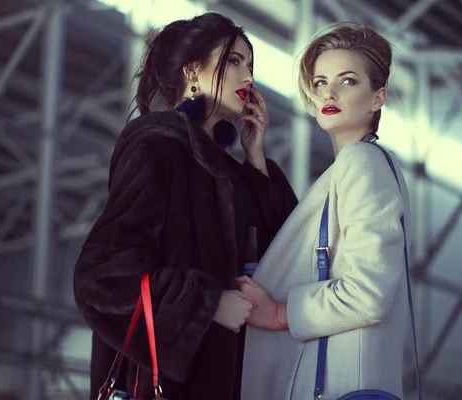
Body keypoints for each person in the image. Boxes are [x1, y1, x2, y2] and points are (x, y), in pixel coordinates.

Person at [73, 12, 297, 400]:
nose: (248, 78)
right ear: (193, 71)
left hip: (236, 379)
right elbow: (102, 274)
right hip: (169, 386)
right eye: (234, 61)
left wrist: (257, 160)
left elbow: (284, 253)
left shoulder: (229, 171)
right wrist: (207, 303)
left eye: (251, 65)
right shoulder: (158, 148)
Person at [239, 22, 412, 399]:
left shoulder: (360, 161)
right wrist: (256, 157)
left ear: (377, 98)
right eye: (320, 83)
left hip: (340, 386)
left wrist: (278, 313)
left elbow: (369, 292)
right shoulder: (361, 167)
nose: (328, 92)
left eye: (347, 81)